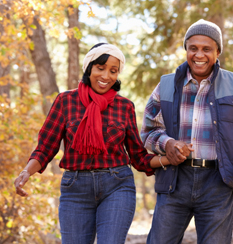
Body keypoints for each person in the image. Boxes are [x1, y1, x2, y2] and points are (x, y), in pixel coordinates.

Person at [14, 43, 173, 244]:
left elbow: (138, 158)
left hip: (117, 186)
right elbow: (46, 147)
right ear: (89, 68)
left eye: (113, 71)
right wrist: (26, 172)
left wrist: (169, 158)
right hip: (75, 189)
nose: (106, 76)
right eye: (100, 68)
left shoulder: (124, 106)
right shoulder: (66, 101)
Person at [141, 19, 233, 244]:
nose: (199, 55)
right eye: (193, 48)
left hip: (218, 181)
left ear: (217, 52)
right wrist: (167, 143)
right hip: (174, 181)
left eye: (207, 49)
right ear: (186, 49)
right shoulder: (165, 85)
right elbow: (148, 132)